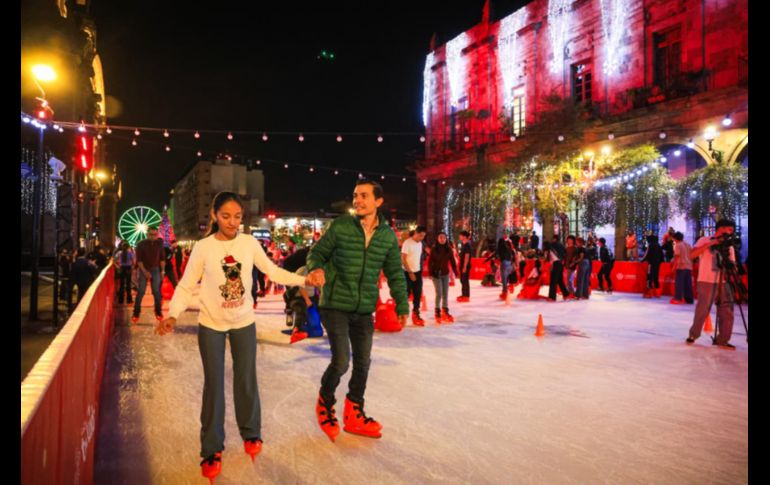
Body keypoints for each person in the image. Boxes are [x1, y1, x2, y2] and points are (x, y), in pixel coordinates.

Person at [156, 192, 319, 481]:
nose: (232, 222)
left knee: (246, 379)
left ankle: (251, 432)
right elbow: (185, 285)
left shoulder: (248, 243)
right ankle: (211, 448)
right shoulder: (204, 248)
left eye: (237, 217)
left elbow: (273, 272)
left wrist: (303, 279)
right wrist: (173, 314)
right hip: (211, 323)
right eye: (226, 216)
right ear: (215, 216)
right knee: (214, 385)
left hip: (243, 321)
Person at [306, 179, 409, 442]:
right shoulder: (341, 226)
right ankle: (325, 403)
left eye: (363, 196)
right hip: (335, 304)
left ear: (378, 201)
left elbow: (395, 272)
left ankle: (354, 411)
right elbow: (317, 253)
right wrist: (316, 269)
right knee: (341, 361)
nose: (357, 200)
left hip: (364, 308)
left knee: (363, 363)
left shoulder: (386, 236)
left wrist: (401, 303)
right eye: (355, 195)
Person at [686, 220, 738, 349]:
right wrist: (711, 243)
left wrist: (732, 267)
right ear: (721, 229)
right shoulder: (705, 240)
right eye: (729, 230)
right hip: (706, 280)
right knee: (702, 309)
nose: (730, 233)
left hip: (724, 281)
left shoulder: (729, 246)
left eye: (732, 231)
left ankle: (723, 339)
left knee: (727, 310)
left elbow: (733, 264)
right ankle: (693, 334)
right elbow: (692, 255)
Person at [132, 226, 166, 323]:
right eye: (151, 234)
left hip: (155, 269)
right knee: (141, 291)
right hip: (143, 268)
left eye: (155, 234)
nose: (153, 236)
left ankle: (158, 311)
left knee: (156, 291)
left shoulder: (159, 245)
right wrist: (144, 271)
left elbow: (162, 259)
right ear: (147, 234)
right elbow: (139, 260)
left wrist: (163, 271)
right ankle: (136, 312)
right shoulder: (141, 244)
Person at [428, 231, 459, 323]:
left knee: (445, 293)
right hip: (436, 274)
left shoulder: (449, 249)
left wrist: (455, 271)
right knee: (439, 293)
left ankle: (445, 310)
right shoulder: (434, 249)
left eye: (444, 238)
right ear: (437, 239)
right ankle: (437, 311)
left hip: (445, 274)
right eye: (440, 237)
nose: (442, 239)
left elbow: (453, 261)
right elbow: (430, 262)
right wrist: (430, 273)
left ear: (446, 239)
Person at [402, 225, 427, 325]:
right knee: (406, 294)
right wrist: (410, 272)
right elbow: (403, 259)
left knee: (417, 294)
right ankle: (402, 314)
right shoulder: (407, 243)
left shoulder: (420, 244)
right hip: (407, 272)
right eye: (420, 235)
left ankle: (416, 313)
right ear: (416, 233)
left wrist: (418, 270)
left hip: (417, 272)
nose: (422, 238)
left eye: (423, 236)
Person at [670, 232, 694, 304]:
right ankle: (689, 299)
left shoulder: (678, 245)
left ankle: (678, 298)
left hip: (681, 266)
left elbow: (677, 256)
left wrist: (674, 267)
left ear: (675, 238)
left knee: (679, 283)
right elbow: (692, 253)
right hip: (689, 266)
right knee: (688, 284)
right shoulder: (687, 244)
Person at [544, 237, 570, 301]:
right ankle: (566, 294)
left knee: (553, 280)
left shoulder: (550, 248)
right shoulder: (560, 246)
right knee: (559, 280)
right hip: (560, 263)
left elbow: (548, 259)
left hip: (556, 264)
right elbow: (564, 254)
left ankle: (552, 297)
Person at [496, 231, 515, 300]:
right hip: (509, 263)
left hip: (504, 263)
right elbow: (512, 255)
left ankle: (505, 293)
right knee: (506, 279)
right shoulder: (508, 248)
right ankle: (506, 291)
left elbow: (496, 254)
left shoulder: (500, 248)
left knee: (504, 280)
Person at [457, 231, 472, 302]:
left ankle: (466, 296)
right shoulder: (464, 244)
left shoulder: (467, 245)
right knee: (462, 280)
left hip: (465, 265)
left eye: (461, 235)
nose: (460, 237)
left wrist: (465, 266)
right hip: (462, 264)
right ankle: (463, 294)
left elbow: (467, 256)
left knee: (465, 280)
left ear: (465, 237)